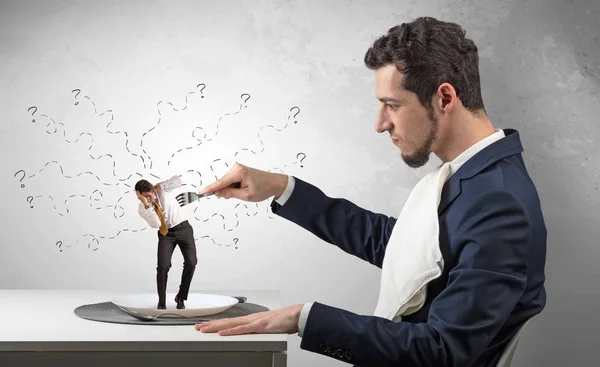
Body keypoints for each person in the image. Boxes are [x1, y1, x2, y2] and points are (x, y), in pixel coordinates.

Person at [192, 16, 547, 367]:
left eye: (392, 105)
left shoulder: (499, 204)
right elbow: (406, 249)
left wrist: (304, 318)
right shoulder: (474, 175)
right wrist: (282, 188)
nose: (380, 124)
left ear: (444, 97)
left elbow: (443, 350)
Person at [135, 175, 198, 310]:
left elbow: (178, 180)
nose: (150, 197)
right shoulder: (142, 208)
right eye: (145, 196)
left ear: (153, 189)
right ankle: (161, 301)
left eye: (150, 194)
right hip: (166, 234)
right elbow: (156, 223)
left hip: (184, 229)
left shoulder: (163, 190)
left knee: (191, 262)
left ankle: (181, 297)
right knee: (163, 266)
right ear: (139, 196)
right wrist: (147, 204)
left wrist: (160, 186)